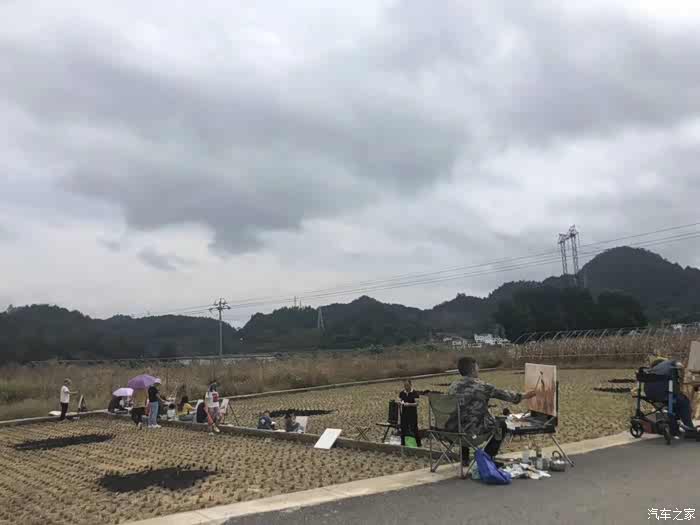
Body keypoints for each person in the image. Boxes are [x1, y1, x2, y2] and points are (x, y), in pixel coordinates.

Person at [448, 357, 536, 465]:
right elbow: (506, 395)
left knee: (463, 417)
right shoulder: (482, 386)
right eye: (477, 367)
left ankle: (465, 459)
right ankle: (487, 458)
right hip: (473, 431)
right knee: (502, 425)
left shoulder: (453, 386)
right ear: (473, 370)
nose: (478, 370)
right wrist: (525, 396)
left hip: (453, 431)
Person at [644, 357, 695, 436]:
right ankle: (689, 429)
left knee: (675, 403)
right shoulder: (671, 363)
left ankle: (675, 425)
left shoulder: (651, 371)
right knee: (684, 401)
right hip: (665, 395)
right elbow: (680, 366)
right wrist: (682, 374)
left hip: (650, 395)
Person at [399, 380, 421, 447]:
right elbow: (400, 400)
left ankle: (418, 444)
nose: (406, 387)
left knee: (414, 429)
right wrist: (400, 403)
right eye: (405, 385)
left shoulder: (415, 393)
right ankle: (403, 444)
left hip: (412, 414)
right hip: (404, 414)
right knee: (403, 428)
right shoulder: (402, 393)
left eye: (407, 385)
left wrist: (409, 404)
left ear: (410, 385)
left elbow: (417, 403)